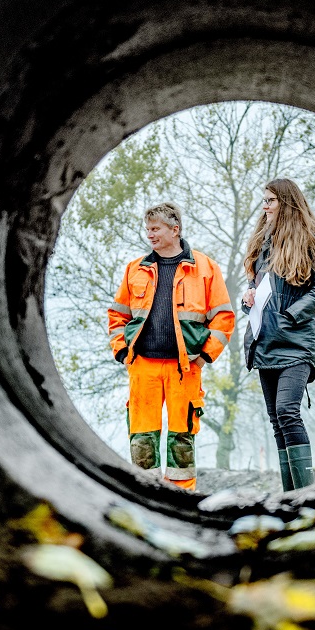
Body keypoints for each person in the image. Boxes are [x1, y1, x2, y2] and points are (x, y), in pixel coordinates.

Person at [107, 203, 235, 491]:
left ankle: (182, 496)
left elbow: (224, 317)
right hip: (142, 367)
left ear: (174, 229)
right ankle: (146, 494)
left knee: (182, 438)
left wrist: (205, 356)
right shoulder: (134, 269)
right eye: (147, 229)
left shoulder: (205, 268)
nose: (149, 234)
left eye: (155, 229)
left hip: (185, 368)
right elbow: (117, 314)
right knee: (142, 438)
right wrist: (120, 349)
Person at [241, 179, 315, 491]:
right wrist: (249, 298)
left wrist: (290, 315)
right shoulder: (262, 243)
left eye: (270, 200)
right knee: (276, 421)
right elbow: (263, 290)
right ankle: (290, 497)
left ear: (287, 202)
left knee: (287, 411)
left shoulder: (310, 239)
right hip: (264, 344)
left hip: (296, 345)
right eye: (263, 200)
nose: (264, 206)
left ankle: (307, 494)